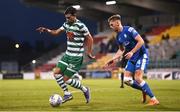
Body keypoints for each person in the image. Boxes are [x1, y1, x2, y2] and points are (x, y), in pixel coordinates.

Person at [36, 6, 95, 104]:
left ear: (74, 15)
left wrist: (89, 52)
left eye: (69, 17)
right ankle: (67, 94)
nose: (67, 19)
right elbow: (56, 32)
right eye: (66, 17)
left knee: (66, 80)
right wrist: (46, 30)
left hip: (76, 58)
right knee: (56, 73)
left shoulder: (81, 26)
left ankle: (85, 89)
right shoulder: (66, 24)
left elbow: (90, 38)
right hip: (67, 55)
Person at [104, 14, 159, 106]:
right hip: (132, 57)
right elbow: (121, 50)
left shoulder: (129, 30)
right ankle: (144, 88)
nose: (110, 27)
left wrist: (132, 52)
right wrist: (113, 59)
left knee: (137, 78)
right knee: (126, 80)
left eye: (111, 24)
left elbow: (141, 41)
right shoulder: (118, 37)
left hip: (141, 56)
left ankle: (154, 99)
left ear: (117, 23)